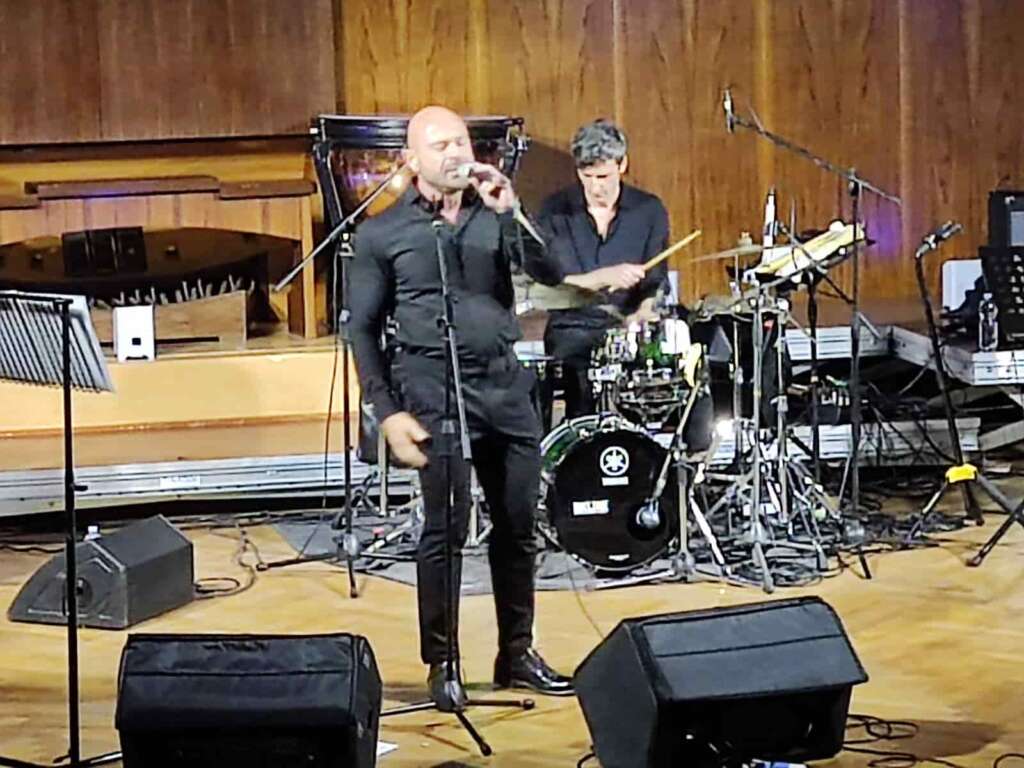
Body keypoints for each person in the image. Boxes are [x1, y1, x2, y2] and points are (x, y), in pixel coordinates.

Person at [348, 105, 573, 711]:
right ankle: (442, 662)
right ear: (411, 159)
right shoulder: (382, 234)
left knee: (519, 525)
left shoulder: (494, 213)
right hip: (431, 390)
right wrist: (386, 410)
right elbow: (362, 330)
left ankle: (516, 653)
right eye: (441, 145)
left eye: (461, 142)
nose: (455, 154)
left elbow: (553, 273)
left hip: (503, 385)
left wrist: (513, 211)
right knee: (444, 529)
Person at [540, 119, 671, 419]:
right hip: (573, 327)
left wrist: (643, 314)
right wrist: (603, 277)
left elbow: (655, 281)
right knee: (580, 367)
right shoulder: (554, 211)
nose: (595, 186)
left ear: (622, 165)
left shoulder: (649, 210)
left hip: (628, 324)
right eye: (587, 176)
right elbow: (552, 284)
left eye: (603, 176)